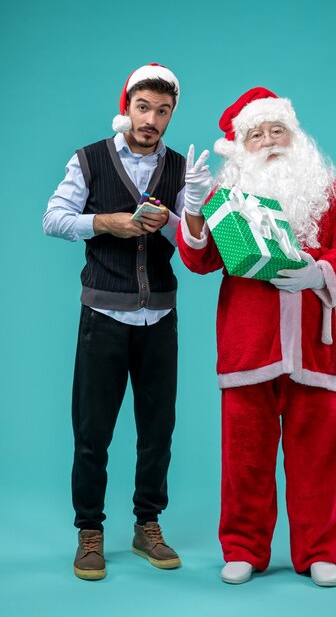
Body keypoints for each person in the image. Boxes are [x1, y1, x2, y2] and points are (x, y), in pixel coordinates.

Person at [177, 87, 336, 586]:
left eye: (277, 130)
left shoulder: (329, 194)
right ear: (242, 146)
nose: (269, 141)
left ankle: (319, 551)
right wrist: (195, 210)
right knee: (244, 461)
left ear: (295, 134)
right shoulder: (227, 199)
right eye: (257, 134)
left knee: (319, 458)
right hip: (249, 350)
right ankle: (243, 548)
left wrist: (321, 272)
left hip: (316, 351)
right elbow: (200, 261)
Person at [43, 63, 210, 580]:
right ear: (127, 108)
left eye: (163, 111)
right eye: (144, 108)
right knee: (93, 430)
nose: (152, 119)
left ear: (171, 114)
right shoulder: (90, 159)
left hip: (160, 315)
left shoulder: (182, 168)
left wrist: (189, 214)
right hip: (103, 314)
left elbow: (198, 246)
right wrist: (107, 222)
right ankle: (89, 531)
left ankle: (147, 524)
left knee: (158, 430)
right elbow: (53, 218)